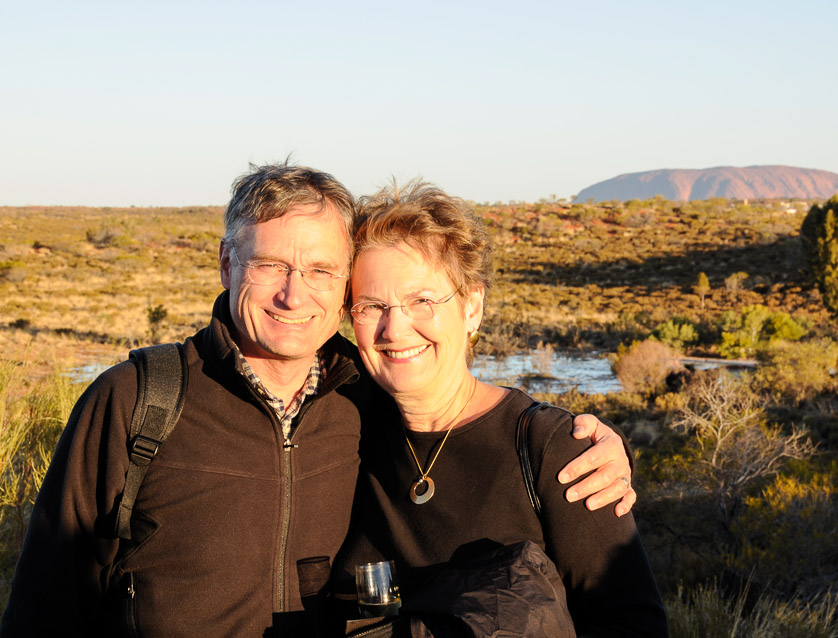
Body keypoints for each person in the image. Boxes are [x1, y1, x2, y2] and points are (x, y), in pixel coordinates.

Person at [0, 164, 635, 637]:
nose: (293, 294)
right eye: (270, 264)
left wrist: (592, 440)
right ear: (226, 263)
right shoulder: (139, 402)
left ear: (472, 308)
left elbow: (627, 619)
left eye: (323, 272)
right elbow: (44, 609)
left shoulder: (542, 449)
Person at [333, 180, 668, 636]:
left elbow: (632, 624)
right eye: (372, 305)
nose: (394, 328)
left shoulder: (553, 450)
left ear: (472, 307)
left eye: (422, 300)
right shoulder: (346, 429)